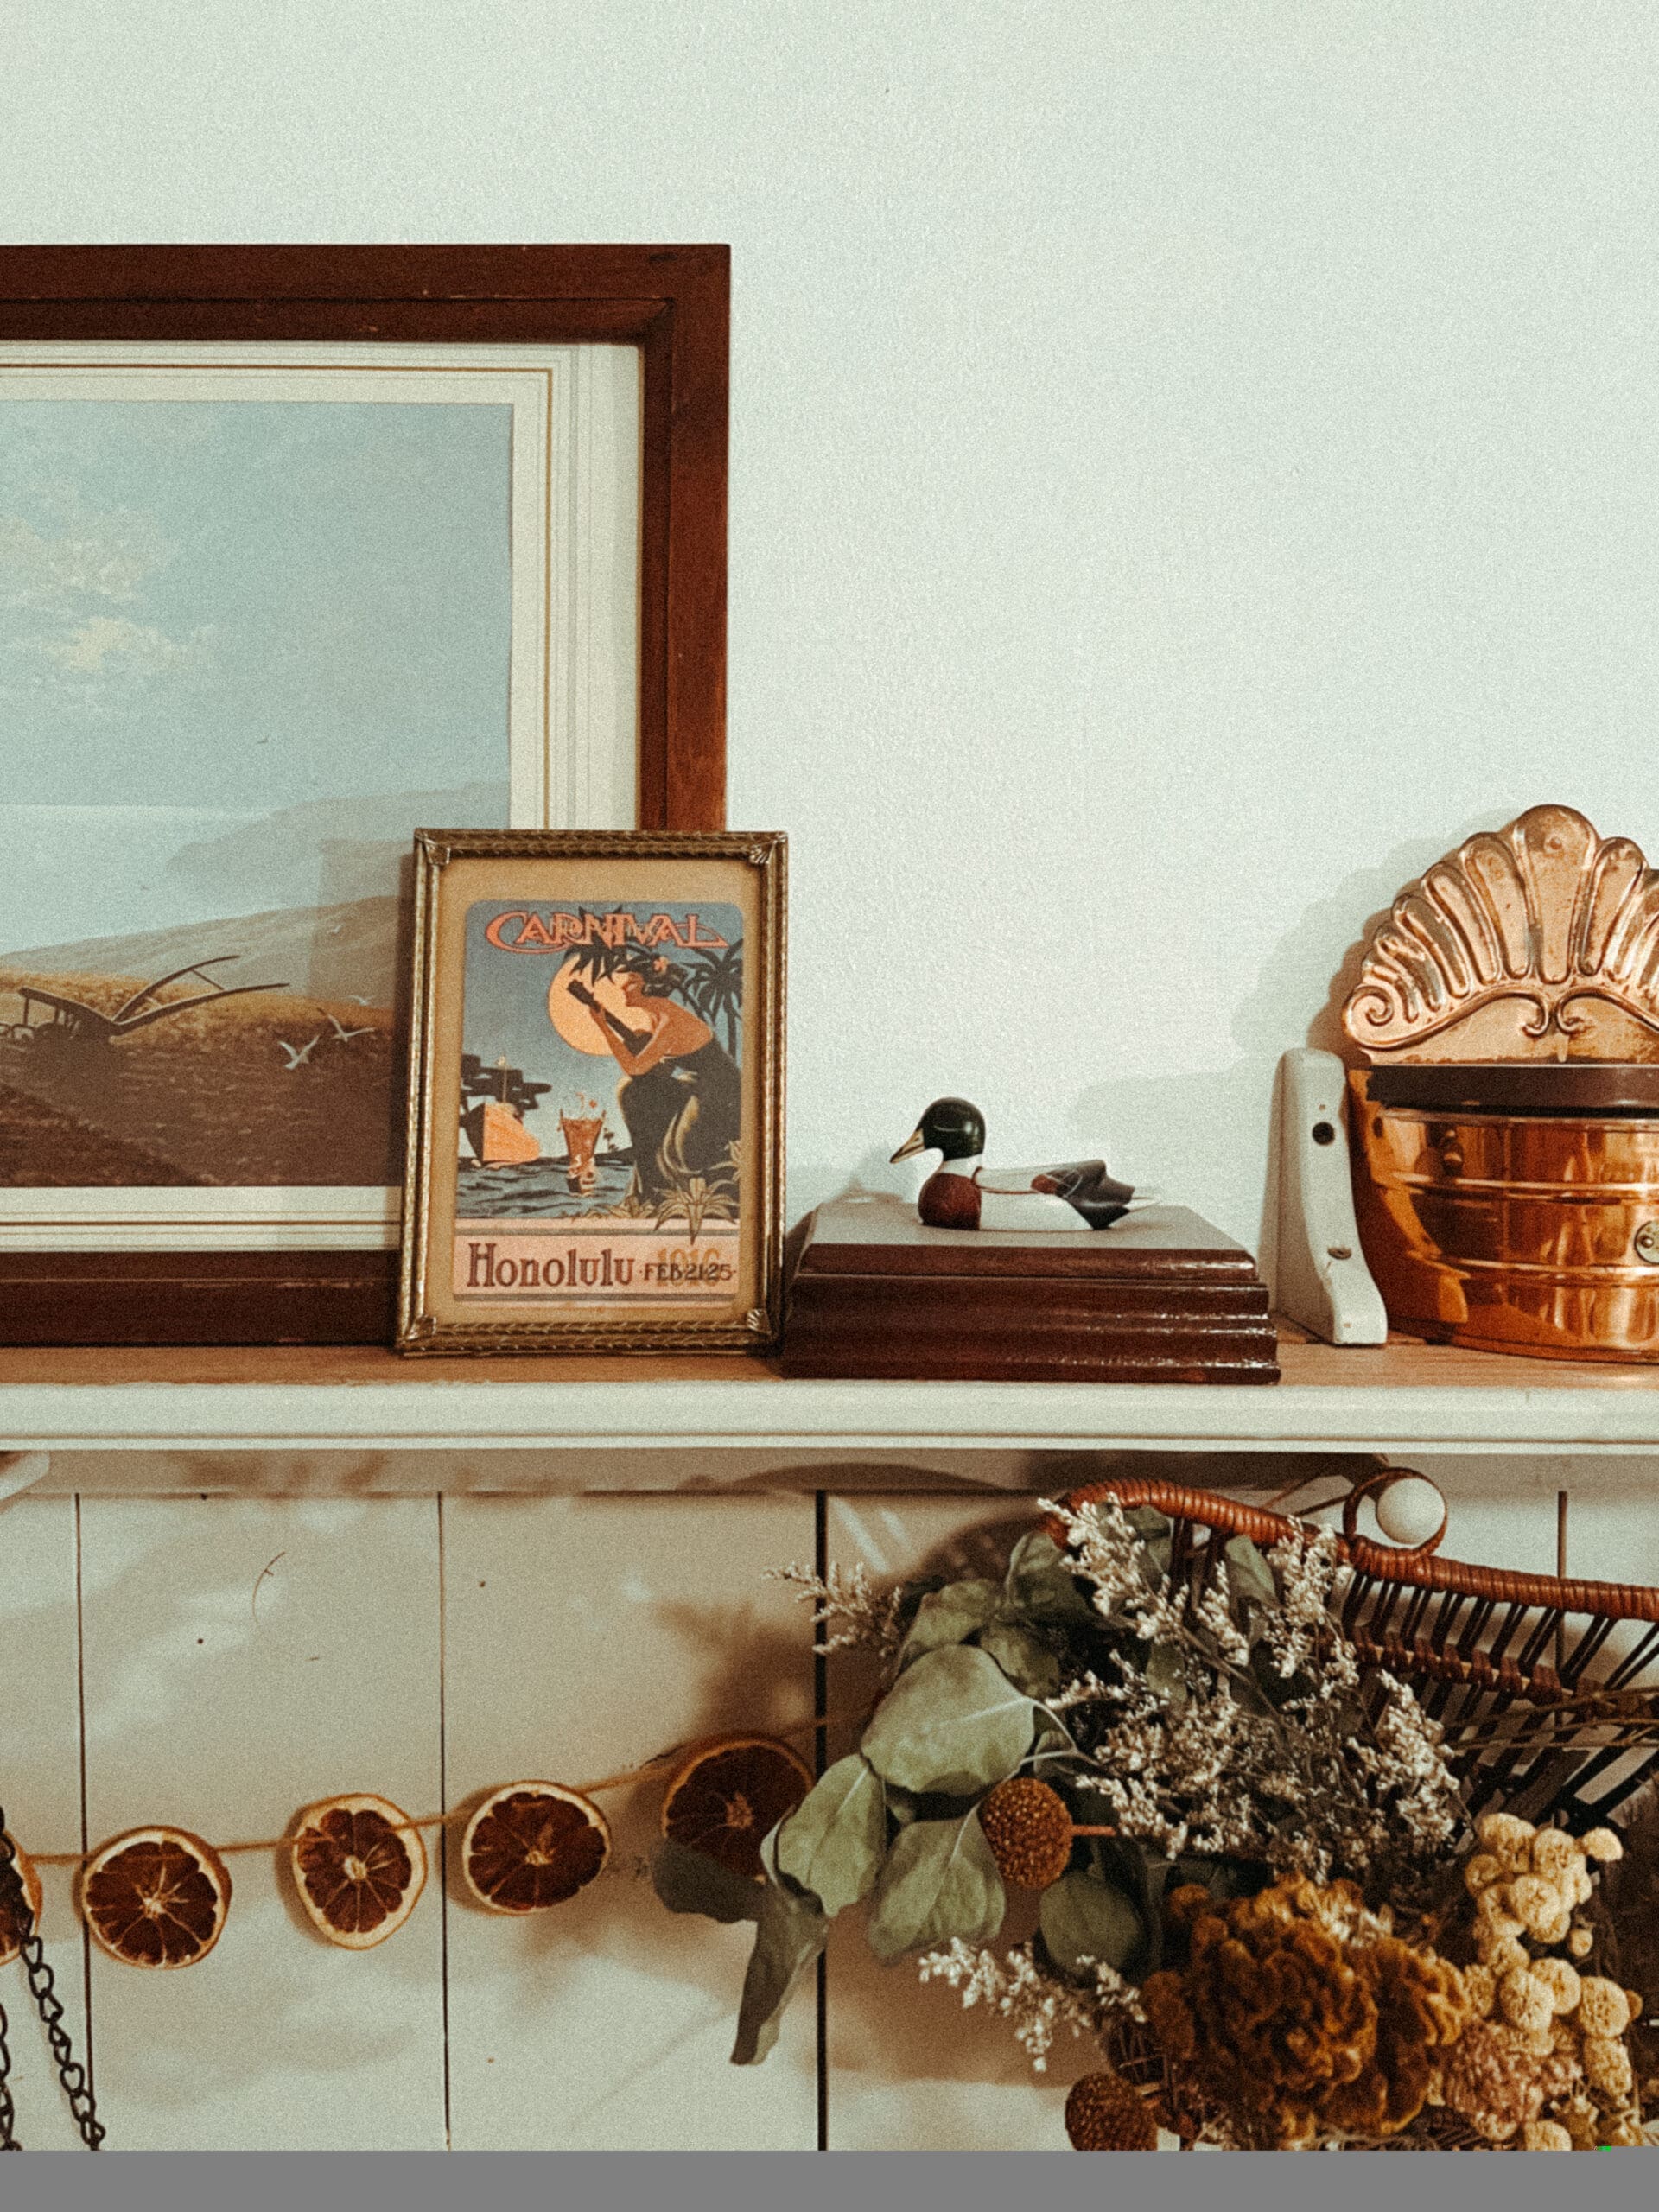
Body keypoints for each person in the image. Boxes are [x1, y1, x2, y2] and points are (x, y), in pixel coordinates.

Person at [565, 956, 741, 1204]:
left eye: (633, 981)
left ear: (651, 986)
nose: (624, 986)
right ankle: (651, 1187)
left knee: (677, 1140)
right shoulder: (654, 1017)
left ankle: (680, 1191)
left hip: (721, 1092)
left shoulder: (668, 1020)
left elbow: (635, 1067)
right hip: (695, 1083)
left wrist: (605, 1027)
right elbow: (658, 1069)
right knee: (630, 1090)